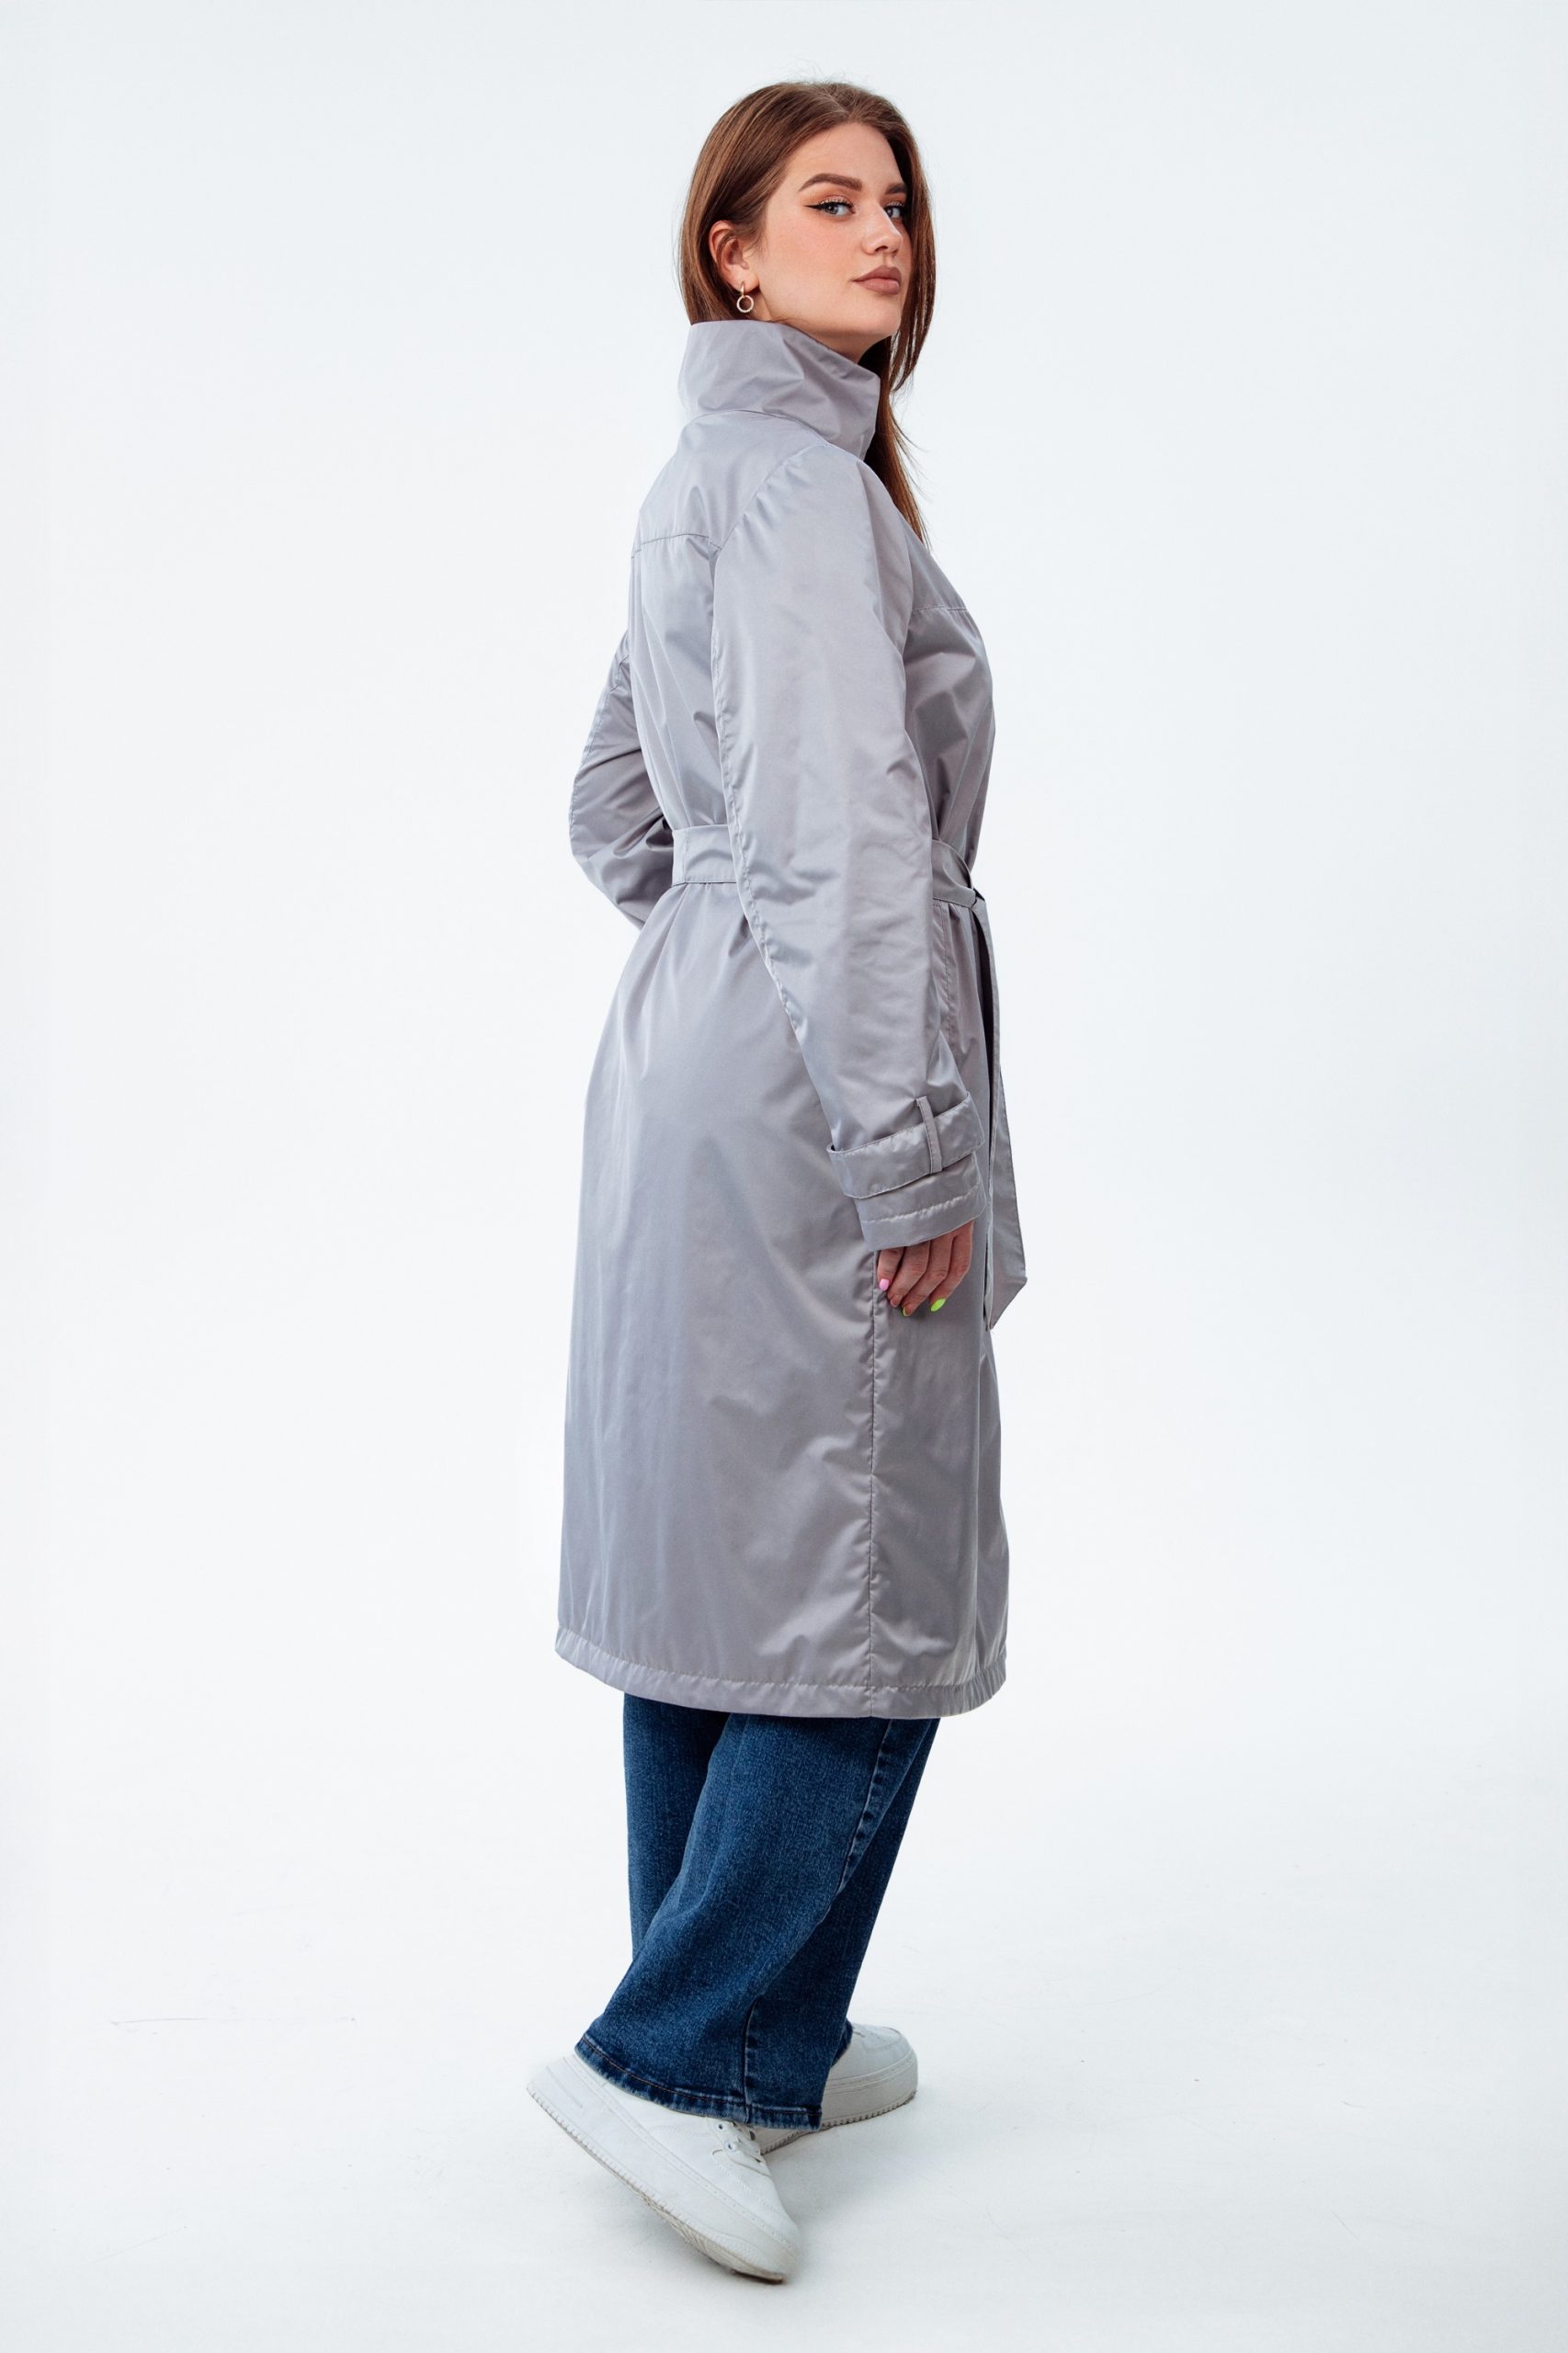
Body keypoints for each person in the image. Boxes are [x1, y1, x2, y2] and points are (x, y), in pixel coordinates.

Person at [528, 78, 1028, 2284]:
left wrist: (717, 945)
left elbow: (617, 808)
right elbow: (835, 831)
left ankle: (756, 2028)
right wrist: (909, 1145)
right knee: (866, 1575)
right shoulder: (804, 489)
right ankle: (681, 2049)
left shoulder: (711, 471)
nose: (883, 230)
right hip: (825, 1070)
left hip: (696, 1062)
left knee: (733, 1559)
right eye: (831, 200)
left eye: (897, 200)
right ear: (731, 248)